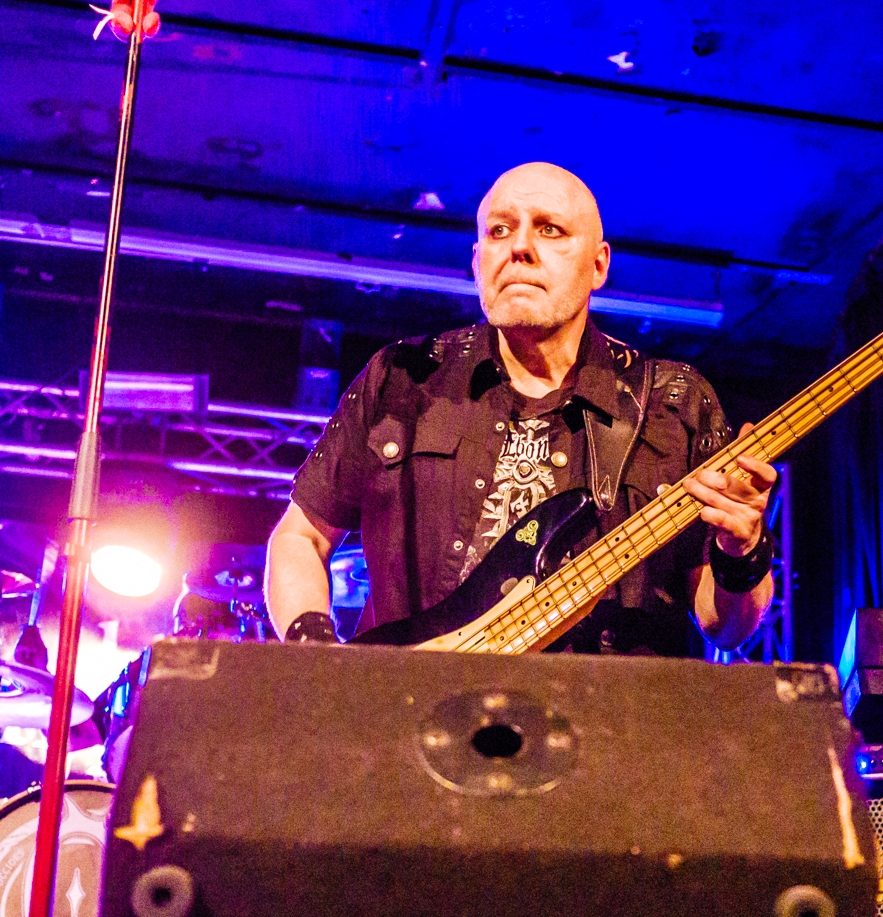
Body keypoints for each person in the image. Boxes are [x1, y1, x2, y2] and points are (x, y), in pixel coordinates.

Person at [263, 161, 778, 655]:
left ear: (598, 265)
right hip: (413, 706)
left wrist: (743, 553)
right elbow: (301, 537)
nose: (520, 247)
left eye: (550, 230)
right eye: (499, 230)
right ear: (477, 261)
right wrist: (319, 657)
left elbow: (726, 628)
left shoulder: (673, 402)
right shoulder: (402, 379)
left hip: (604, 713)